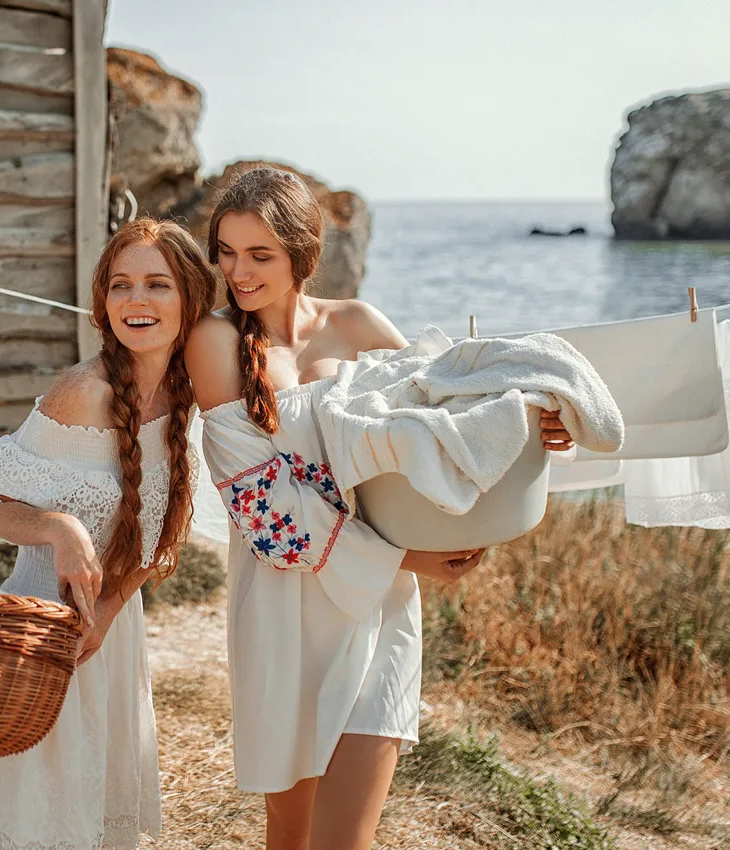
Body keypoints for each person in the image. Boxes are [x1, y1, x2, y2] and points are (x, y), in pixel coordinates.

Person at [184, 167, 575, 850]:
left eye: (258, 254)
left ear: (302, 253)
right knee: (292, 832)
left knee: (347, 838)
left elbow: (449, 420)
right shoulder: (214, 341)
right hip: (284, 609)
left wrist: (536, 427)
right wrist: (407, 556)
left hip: (380, 606)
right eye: (226, 251)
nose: (237, 272)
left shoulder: (359, 324)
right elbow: (257, 505)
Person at [0, 218, 219, 850]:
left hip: (109, 630)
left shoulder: (188, 397)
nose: (136, 302)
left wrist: (108, 607)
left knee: (97, 813)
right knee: (43, 818)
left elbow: (164, 530)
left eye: (157, 284)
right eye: (120, 285)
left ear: (190, 299)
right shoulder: (80, 394)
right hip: (40, 632)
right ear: (103, 300)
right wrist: (57, 526)